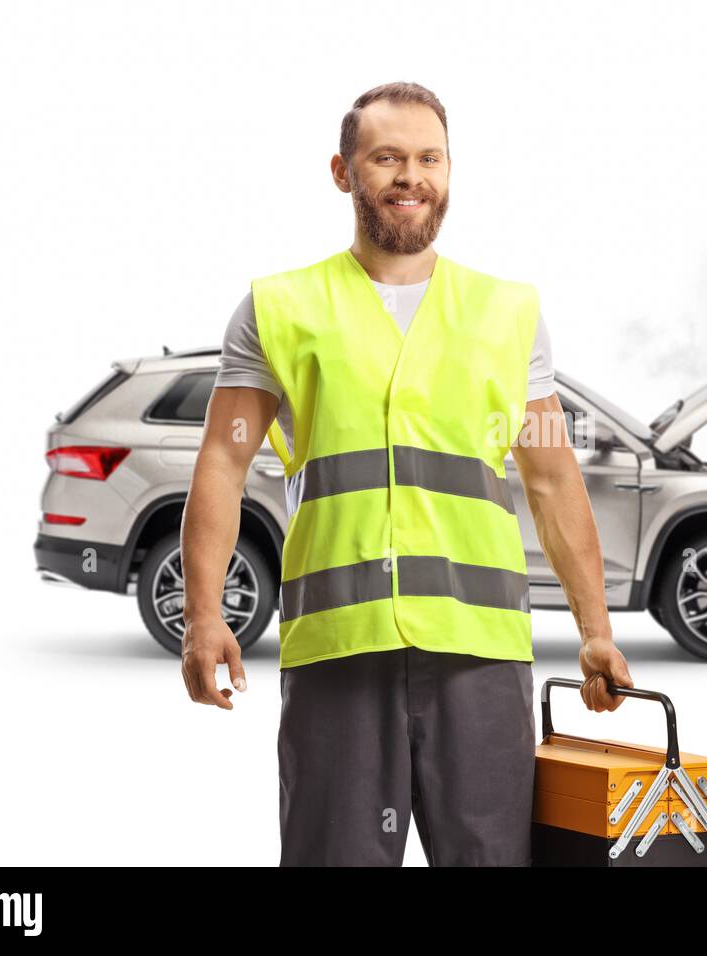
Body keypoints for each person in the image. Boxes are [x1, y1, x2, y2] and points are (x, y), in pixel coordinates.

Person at [178, 81, 634, 865]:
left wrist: (596, 632)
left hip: (479, 650)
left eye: (429, 158)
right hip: (339, 647)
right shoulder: (278, 308)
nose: (409, 176)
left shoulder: (508, 313)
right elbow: (223, 460)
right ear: (343, 171)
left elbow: (554, 481)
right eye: (386, 157)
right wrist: (202, 615)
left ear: (450, 172)